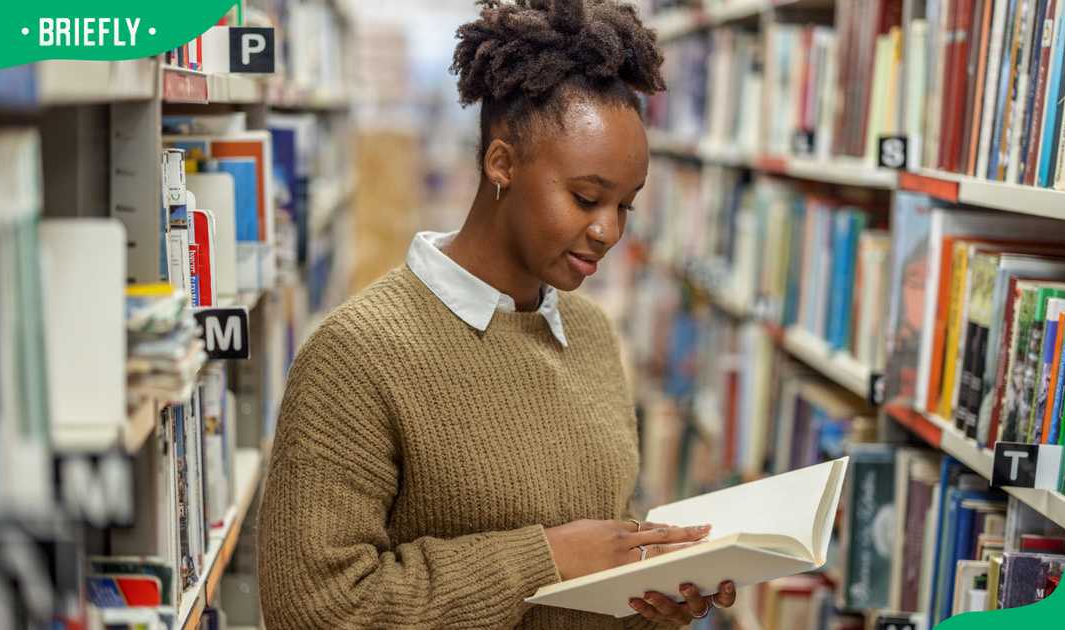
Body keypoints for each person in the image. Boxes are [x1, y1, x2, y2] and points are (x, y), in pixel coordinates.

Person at [258, 1, 736, 627]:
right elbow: (316, 607)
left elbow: (589, 579)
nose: (607, 231)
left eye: (627, 206)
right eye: (586, 197)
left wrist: (650, 597)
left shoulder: (589, 332)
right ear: (501, 164)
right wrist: (546, 559)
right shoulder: (357, 354)